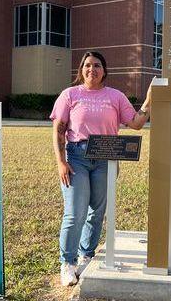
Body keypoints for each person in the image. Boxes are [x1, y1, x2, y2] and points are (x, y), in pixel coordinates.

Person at [50, 51, 151, 286]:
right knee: (75, 213)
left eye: (97, 65)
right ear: (81, 69)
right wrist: (61, 162)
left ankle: (87, 255)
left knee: (97, 212)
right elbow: (58, 129)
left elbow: (136, 124)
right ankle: (68, 263)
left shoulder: (115, 96)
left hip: (106, 159)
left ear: (104, 70)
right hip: (77, 158)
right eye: (87, 65)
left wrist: (148, 100)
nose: (91, 69)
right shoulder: (70, 95)